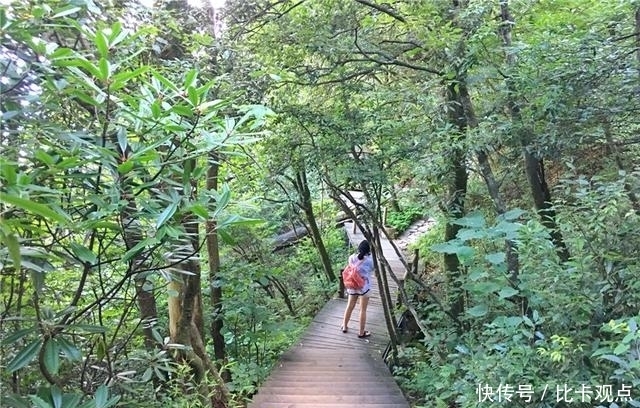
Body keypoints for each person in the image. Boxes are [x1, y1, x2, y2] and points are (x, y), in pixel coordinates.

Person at [341, 239, 374, 338]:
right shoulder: (370, 261)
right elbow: (372, 269)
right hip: (364, 287)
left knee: (350, 306)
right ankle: (361, 332)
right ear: (368, 250)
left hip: (352, 285)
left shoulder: (351, 257)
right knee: (362, 310)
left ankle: (345, 326)